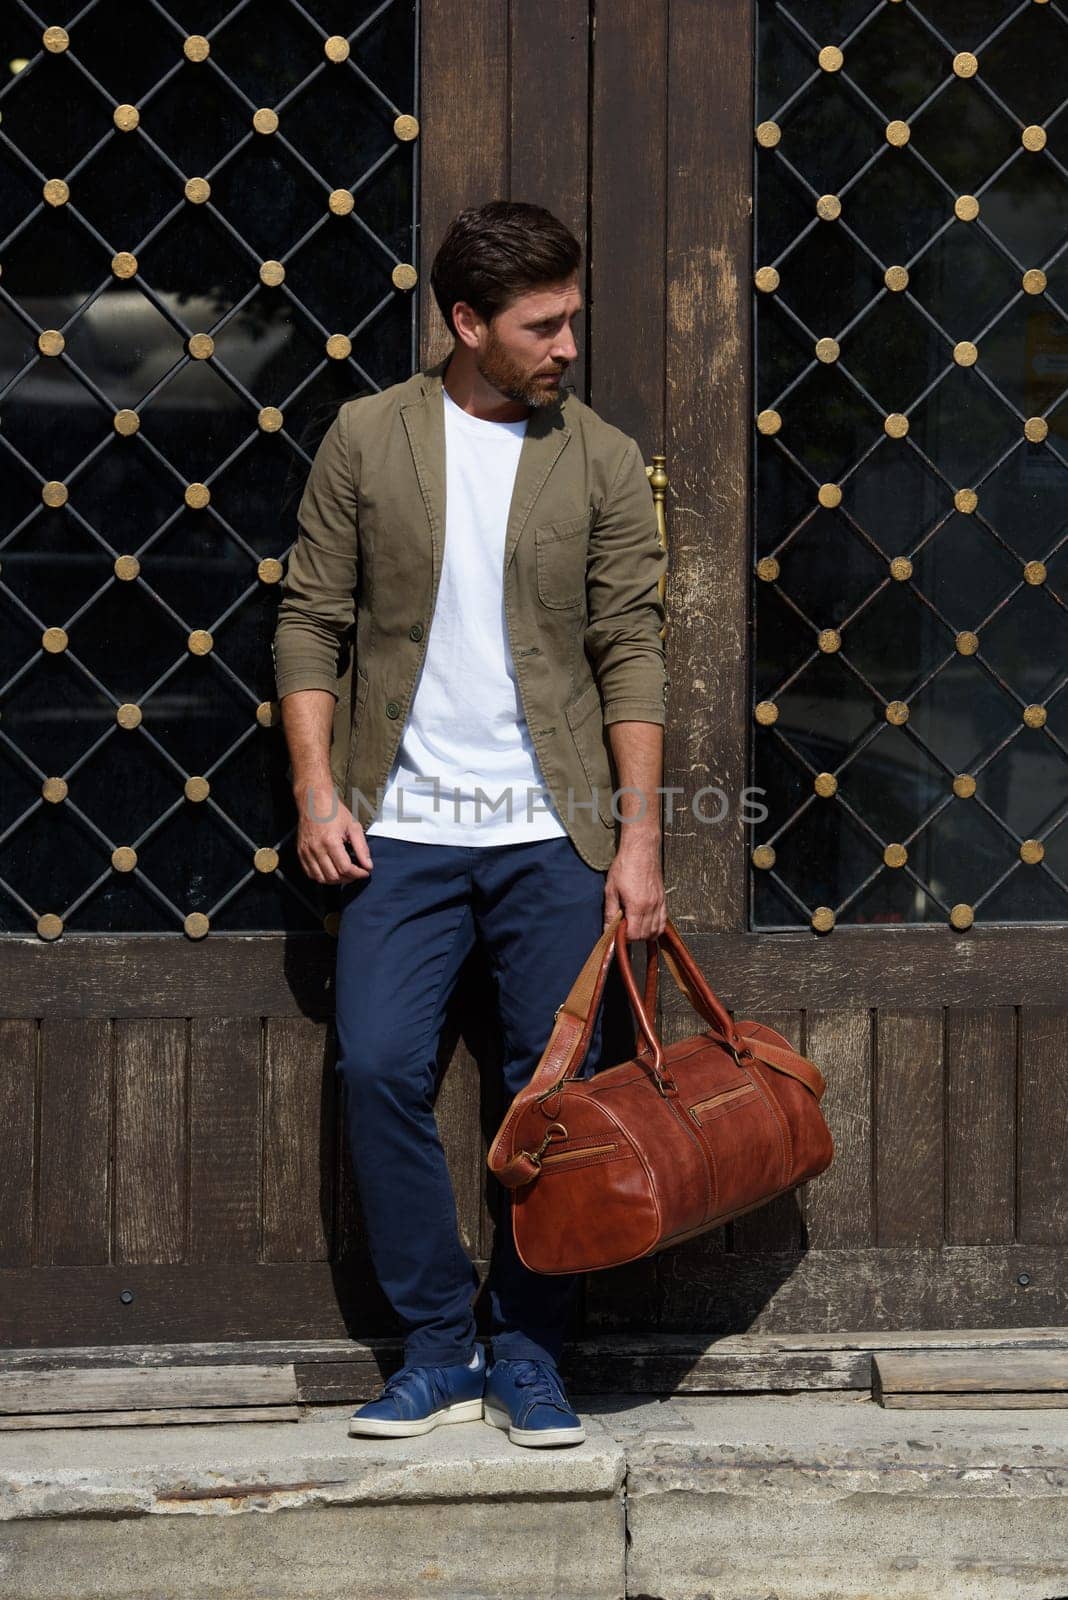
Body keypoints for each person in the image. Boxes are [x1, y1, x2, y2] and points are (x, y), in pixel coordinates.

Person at [272, 200, 668, 1449]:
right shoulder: (367, 437)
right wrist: (316, 789)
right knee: (380, 1064)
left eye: (572, 320)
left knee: (546, 1097)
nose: (566, 345)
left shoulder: (597, 456)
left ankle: (533, 1352)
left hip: (555, 833)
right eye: (542, 326)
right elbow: (308, 622)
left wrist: (642, 843)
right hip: (400, 827)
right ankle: (440, 1346)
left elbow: (632, 650)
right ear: (466, 322)